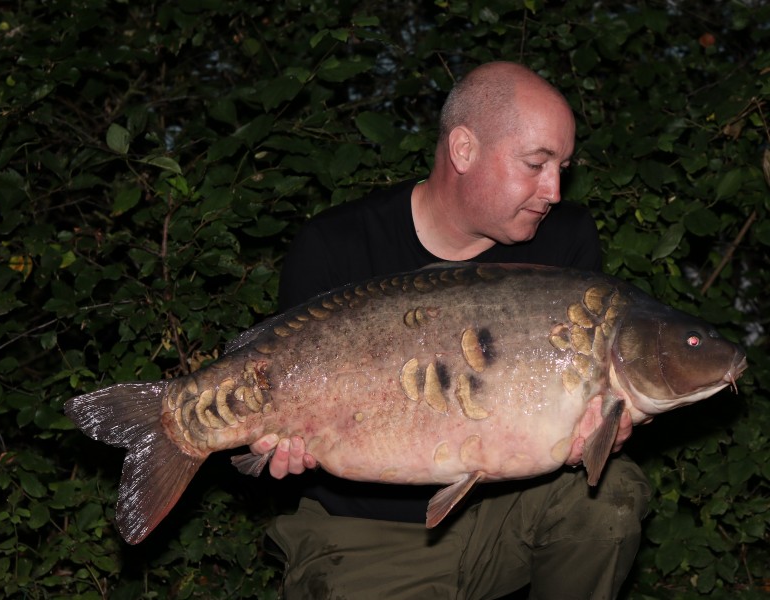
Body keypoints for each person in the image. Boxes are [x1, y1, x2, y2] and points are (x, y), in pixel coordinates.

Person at [250, 61, 651, 599]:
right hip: (363, 534)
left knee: (612, 494)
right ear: (464, 150)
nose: (554, 190)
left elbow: (584, 398)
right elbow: (281, 401)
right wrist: (279, 442)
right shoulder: (335, 245)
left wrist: (606, 426)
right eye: (536, 164)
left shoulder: (567, 245)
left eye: (563, 166)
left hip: (507, 514)